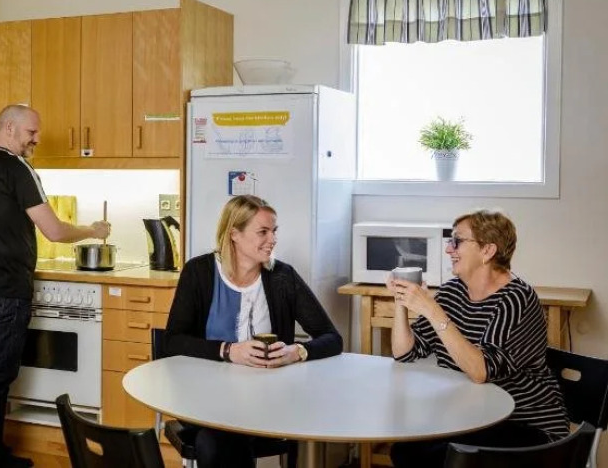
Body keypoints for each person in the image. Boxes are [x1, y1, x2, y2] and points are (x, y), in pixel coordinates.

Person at [0, 104, 110, 468]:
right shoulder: (18, 167)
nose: (36, 139)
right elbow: (54, 231)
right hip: (5, 288)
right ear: (9, 128)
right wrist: (93, 230)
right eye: (31, 132)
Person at [164, 194, 343, 468]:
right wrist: (228, 351)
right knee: (217, 439)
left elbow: (332, 338)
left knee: (222, 439)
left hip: (267, 399)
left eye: (274, 231)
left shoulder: (282, 277)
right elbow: (173, 342)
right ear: (234, 234)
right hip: (205, 396)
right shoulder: (199, 272)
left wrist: (297, 351)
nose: (273, 239)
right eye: (263, 232)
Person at [388, 210, 569, 468]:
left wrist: (432, 310)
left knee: (436, 457)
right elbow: (405, 353)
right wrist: (401, 302)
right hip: (472, 418)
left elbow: (481, 371)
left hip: (525, 425)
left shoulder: (516, 299)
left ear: (487, 250)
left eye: (457, 241)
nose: (449, 249)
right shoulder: (452, 292)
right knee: (406, 450)